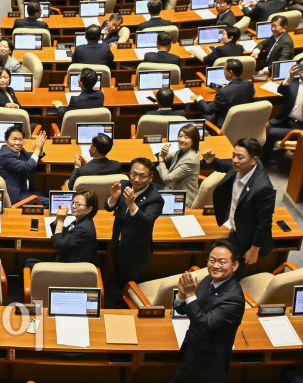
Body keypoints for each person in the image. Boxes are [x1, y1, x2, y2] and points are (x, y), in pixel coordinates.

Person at [170, 240, 245, 380]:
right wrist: (181, 295)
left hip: (209, 366)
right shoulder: (207, 280)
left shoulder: (234, 299)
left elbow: (204, 324)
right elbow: (189, 310)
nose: (215, 266)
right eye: (212, 260)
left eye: (222, 262)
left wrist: (190, 294)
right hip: (190, 354)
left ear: (234, 265)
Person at [204, 138, 275, 268]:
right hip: (235, 228)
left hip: (247, 240)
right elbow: (225, 165)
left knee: (236, 271)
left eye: (240, 157)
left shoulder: (263, 188)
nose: (235, 160)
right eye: (234, 155)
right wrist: (212, 161)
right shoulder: (239, 167)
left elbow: (264, 223)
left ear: (254, 160)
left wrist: (254, 249)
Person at [105, 158, 164, 294]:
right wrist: (113, 198)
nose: (137, 179)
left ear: (150, 178)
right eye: (133, 174)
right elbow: (108, 208)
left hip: (135, 251)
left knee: (129, 284)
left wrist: (131, 204)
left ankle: (125, 305)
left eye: (142, 176)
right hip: (118, 243)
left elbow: (147, 222)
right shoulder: (124, 184)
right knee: (117, 277)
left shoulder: (155, 198)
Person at [0, 126, 49, 205]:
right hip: (16, 196)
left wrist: (39, 147)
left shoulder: (19, 150)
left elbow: (32, 157)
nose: (17, 143)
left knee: (46, 197)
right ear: (6, 141)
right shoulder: (5, 155)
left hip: (25, 189)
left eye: (20, 139)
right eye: (14, 139)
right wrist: (36, 149)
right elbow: (28, 166)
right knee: (49, 203)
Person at [196, 58, 254, 128]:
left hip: (223, 125)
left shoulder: (223, 93)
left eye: (224, 70)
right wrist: (228, 87)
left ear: (230, 73)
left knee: (199, 116)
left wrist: (199, 99)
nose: (223, 72)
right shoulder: (249, 84)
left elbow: (208, 110)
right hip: (242, 122)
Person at [158, 124, 202, 199]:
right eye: (180, 136)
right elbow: (168, 156)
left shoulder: (190, 160)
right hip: (174, 188)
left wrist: (161, 160)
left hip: (182, 199)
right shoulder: (184, 150)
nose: (181, 140)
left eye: (186, 137)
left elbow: (166, 179)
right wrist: (163, 153)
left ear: (194, 141)